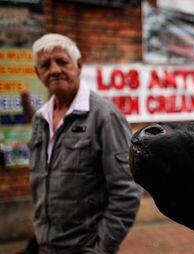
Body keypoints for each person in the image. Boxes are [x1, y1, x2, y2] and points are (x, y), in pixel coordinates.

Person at [27, 33, 142, 253]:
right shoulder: (40, 119)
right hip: (46, 246)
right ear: (37, 73)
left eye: (62, 61)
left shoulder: (104, 115)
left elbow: (126, 192)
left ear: (78, 65)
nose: (54, 70)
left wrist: (101, 249)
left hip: (86, 247)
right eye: (45, 65)